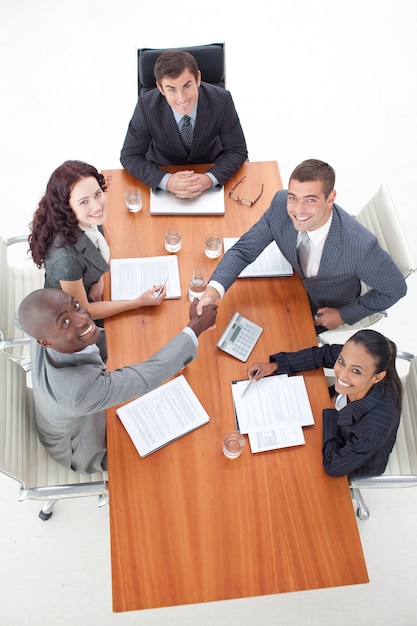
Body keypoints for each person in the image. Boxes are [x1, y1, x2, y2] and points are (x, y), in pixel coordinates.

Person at [17, 288, 218, 474]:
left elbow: (20, 317)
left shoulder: (41, 327)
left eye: (76, 306)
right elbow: (144, 378)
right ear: (45, 342)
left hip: (61, 418)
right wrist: (194, 328)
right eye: (65, 322)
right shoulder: (80, 391)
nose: (82, 319)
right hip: (81, 448)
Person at [197, 159, 407, 331]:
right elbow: (243, 251)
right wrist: (212, 292)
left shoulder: (360, 247)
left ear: (331, 198)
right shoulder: (280, 204)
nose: (298, 210)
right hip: (291, 286)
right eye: (293, 197)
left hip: (322, 309)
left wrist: (343, 315)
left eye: (310, 200)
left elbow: (394, 289)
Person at [247, 329, 402, 479]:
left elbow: (333, 467)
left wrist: (331, 411)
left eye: (355, 372)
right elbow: (323, 354)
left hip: (354, 458)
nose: (342, 374)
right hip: (336, 419)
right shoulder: (357, 356)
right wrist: (274, 366)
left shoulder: (372, 431)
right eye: (341, 362)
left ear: (377, 377)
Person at [29, 160, 167, 326]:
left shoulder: (84, 218)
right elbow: (83, 311)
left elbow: (99, 235)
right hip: (74, 317)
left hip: (91, 288)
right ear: (66, 207)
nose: (97, 206)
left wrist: (99, 279)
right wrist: (137, 302)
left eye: (97, 194)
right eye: (84, 201)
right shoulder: (65, 260)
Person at [120, 49, 248, 199]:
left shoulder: (221, 99)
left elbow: (237, 150)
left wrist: (209, 179)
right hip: (163, 169)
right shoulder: (146, 106)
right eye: (171, 89)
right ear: (160, 88)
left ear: (198, 79)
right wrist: (166, 181)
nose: (182, 99)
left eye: (187, 86)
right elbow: (130, 155)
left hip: (210, 166)